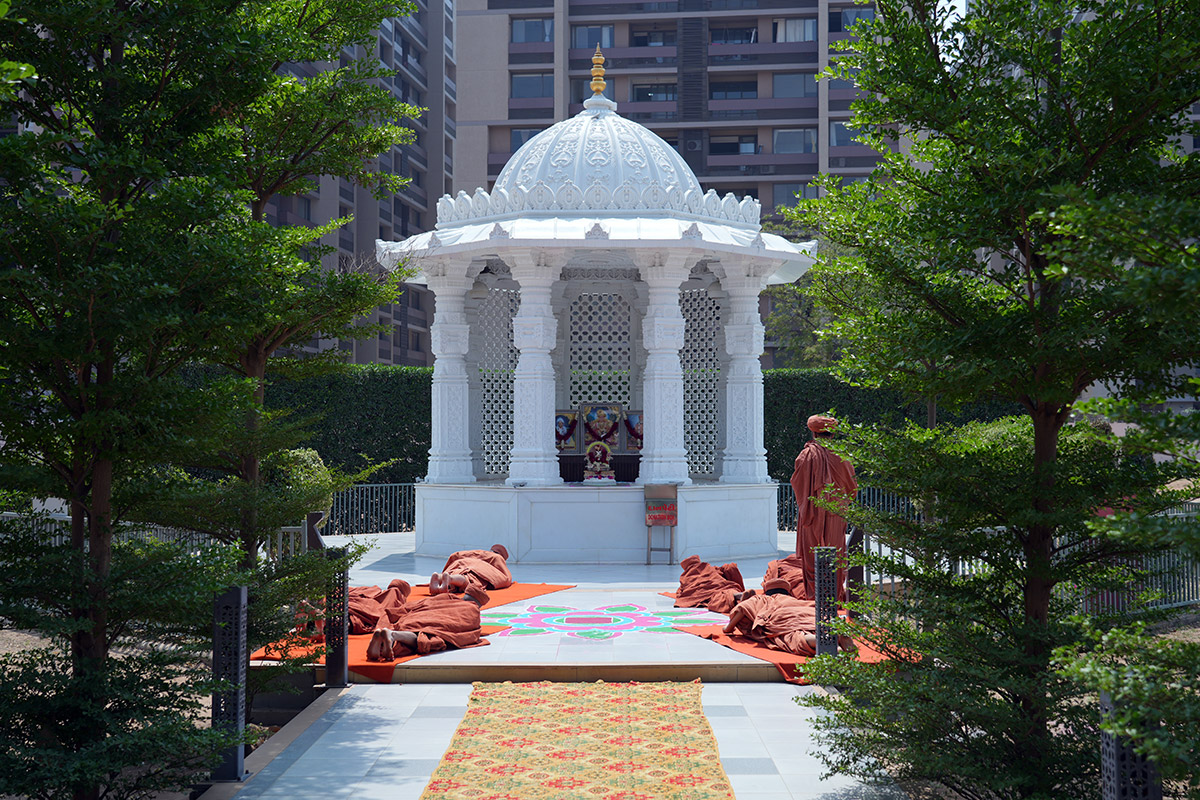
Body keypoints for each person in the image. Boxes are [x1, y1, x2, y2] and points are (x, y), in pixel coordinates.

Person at [791, 414, 857, 602]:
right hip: (836, 515)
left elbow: (798, 484)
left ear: (813, 433)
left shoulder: (806, 455)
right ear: (833, 434)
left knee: (813, 555)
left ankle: (815, 598)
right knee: (836, 555)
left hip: (811, 516)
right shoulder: (842, 456)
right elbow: (852, 488)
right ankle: (832, 597)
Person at [723, 578, 856, 656]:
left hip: (783, 617)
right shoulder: (794, 600)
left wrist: (728, 628)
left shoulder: (763, 599)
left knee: (794, 637)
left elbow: (742, 608)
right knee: (816, 627)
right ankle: (837, 641)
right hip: (809, 613)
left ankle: (827, 641)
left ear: (767, 592)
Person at [366, 588, 489, 661]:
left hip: (415, 618)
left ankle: (383, 641)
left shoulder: (446, 597)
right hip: (429, 626)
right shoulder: (472, 609)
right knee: (428, 639)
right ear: (478, 604)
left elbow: (412, 606)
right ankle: (393, 635)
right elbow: (469, 633)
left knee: (414, 630)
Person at [673, 555, 754, 614]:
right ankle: (737, 595)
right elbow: (725, 570)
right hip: (721, 584)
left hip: (707, 592)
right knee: (727, 590)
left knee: (717, 599)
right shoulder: (708, 567)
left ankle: (736, 596)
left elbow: (684, 593)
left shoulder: (686, 576)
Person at [429, 544, 513, 595]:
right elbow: (505, 577)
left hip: (460, 562)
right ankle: (450, 579)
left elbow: (455, 556)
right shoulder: (497, 557)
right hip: (479, 568)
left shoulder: (476, 552)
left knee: (456, 571)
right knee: (469, 579)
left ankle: (440, 578)